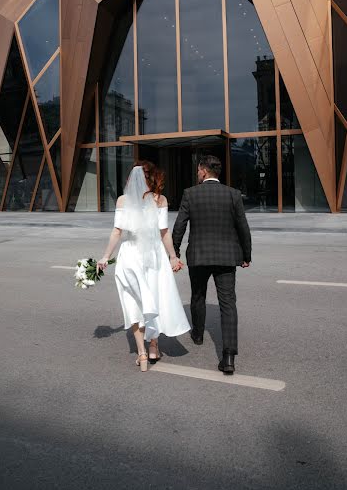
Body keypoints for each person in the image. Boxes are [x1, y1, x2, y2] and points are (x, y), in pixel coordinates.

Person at [97, 161, 190, 372]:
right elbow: (164, 232)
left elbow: (117, 232)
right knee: (154, 298)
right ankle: (154, 347)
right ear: (151, 177)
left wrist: (105, 257)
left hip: (130, 254)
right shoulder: (160, 200)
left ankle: (142, 353)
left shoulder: (123, 201)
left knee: (134, 302)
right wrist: (173, 257)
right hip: (154, 255)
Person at [172, 155, 252, 375]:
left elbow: (179, 225)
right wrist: (247, 255)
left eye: (198, 170)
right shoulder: (233, 194)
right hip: (227, 257)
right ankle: (228, 357)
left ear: (204, 171)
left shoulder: (190, 193)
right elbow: (243, 227)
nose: (197, 174)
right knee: (228, 303)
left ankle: (197, 335)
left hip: (198, 255)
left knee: (198, 295)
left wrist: (174, 253)